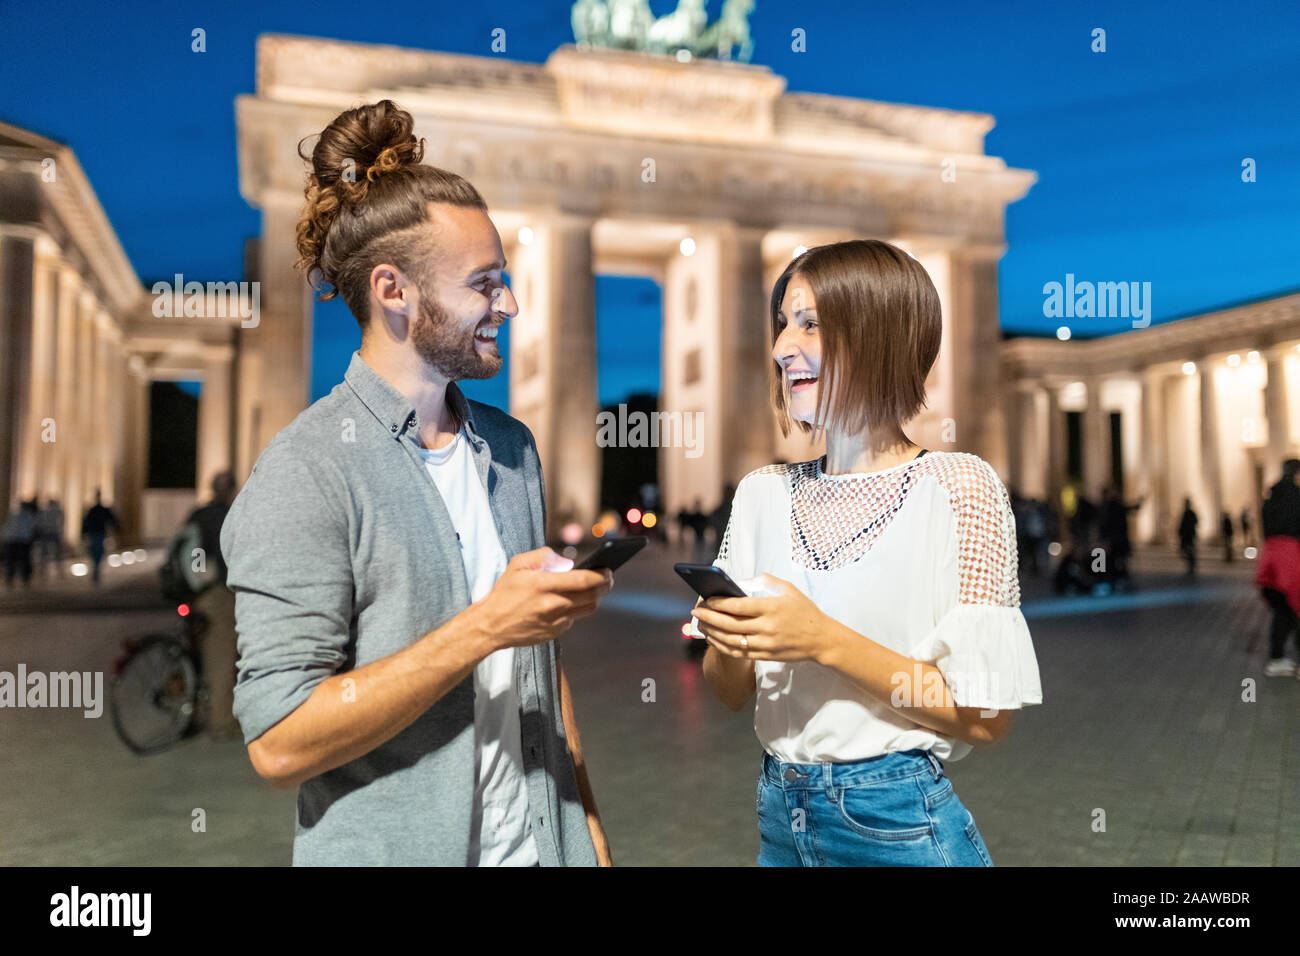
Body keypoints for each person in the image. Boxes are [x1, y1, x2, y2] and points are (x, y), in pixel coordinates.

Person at [221, 99, 613, 866]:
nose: (510, 303)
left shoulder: (511, 450)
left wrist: (587, 826)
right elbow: (277, 741)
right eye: (484, 284)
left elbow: (540, 669)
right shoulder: (306, 471)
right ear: (393, 291)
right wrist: (487, 624)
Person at [690, 239, 1043, 866]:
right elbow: (730, 692)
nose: (780, 348)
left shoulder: (959, 488)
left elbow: (986, 718)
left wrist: (819, 638)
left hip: (896, 819)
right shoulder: (760, 495)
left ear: (880, 334)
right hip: (779, 815)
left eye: (811, 324)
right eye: (782, 324)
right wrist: (729, 641)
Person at [183, 471, 241, 739]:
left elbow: (190, 551)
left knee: (199, 653)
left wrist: (196, 584)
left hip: (195, 594)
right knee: (221, 656)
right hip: (217, 593)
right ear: (230, 490)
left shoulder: (198, 514)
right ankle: (220, 721)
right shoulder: (225, 517)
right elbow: (229, 557)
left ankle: (196, 711)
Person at [1255, 459, 1300, 677]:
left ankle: (1276, 658)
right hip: (1291, 559)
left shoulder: (1270, 498)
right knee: (1294, 609)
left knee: (1282, 611)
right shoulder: (1296, 497)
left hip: (1270, 559)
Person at [80, 490, 119, 584]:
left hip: (97, 534)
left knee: (96, 552)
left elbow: (86, 522)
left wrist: (83, 533)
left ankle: (96, 569)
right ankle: (96, 569)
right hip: (98, 534)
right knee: (97, 552)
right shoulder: (97, 510)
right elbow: (112, 519)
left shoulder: (95, 510)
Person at [1, 499, 38, 587]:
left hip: (14, 540)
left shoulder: (15, 515)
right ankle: (21, 577)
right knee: (21, 560)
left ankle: (13, 577)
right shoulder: (27, 516)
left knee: (14, 560)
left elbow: (7, 527)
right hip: (21, 541)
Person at [34, 498, 64, 578]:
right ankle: (54, 571)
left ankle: (43, 571)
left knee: (46, 553)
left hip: (48, 533)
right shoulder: (54, 511)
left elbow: (38, 523)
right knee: (52, 553)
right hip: (51, 533)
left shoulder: (45, 511)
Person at [1178, 499, 1199, 577]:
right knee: (1186, 551)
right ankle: (1191, 566)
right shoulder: (1185, 513)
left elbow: (1195, 522)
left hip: (1189, 536)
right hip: (1186, 536)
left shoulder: (1190, 513)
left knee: (1189, 551)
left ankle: (1191, 567)